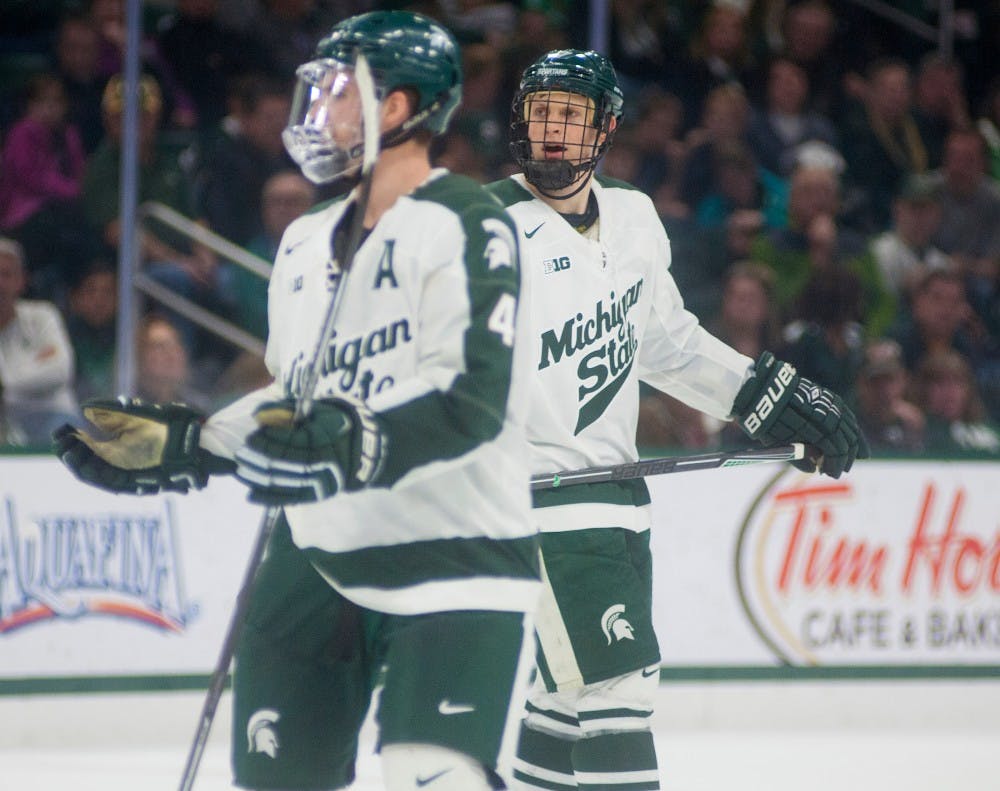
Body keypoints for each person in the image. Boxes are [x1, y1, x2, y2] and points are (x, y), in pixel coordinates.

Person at [54, 11, 540, 791]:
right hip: (318, 551)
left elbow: (473, 394)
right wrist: (197, 442)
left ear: (397, 107)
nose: (321, 108)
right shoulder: (306, 239)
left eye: (342, 90)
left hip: (455, 547)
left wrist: (354, 441)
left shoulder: (466, 220)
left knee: (432, 773)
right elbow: (298, 395)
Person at [486, 49, 867, 791]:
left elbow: (664, 340)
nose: (554, 134)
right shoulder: (484, 229)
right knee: (619, 685)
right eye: (542, 115)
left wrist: (768, 396)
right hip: (535, 501)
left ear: (607, 129)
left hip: (617, 498)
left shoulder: (632, 215)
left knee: (566, 697)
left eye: (572, 117)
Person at [0, 237, 80, 446]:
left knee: (66, 433)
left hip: (52, 415)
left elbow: (61, 370)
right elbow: (46, 373)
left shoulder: (43, 315)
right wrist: (34, 365)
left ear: (21, 281)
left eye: (6, 275)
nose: (0, 284)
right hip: (5, 422)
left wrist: (4, 384)